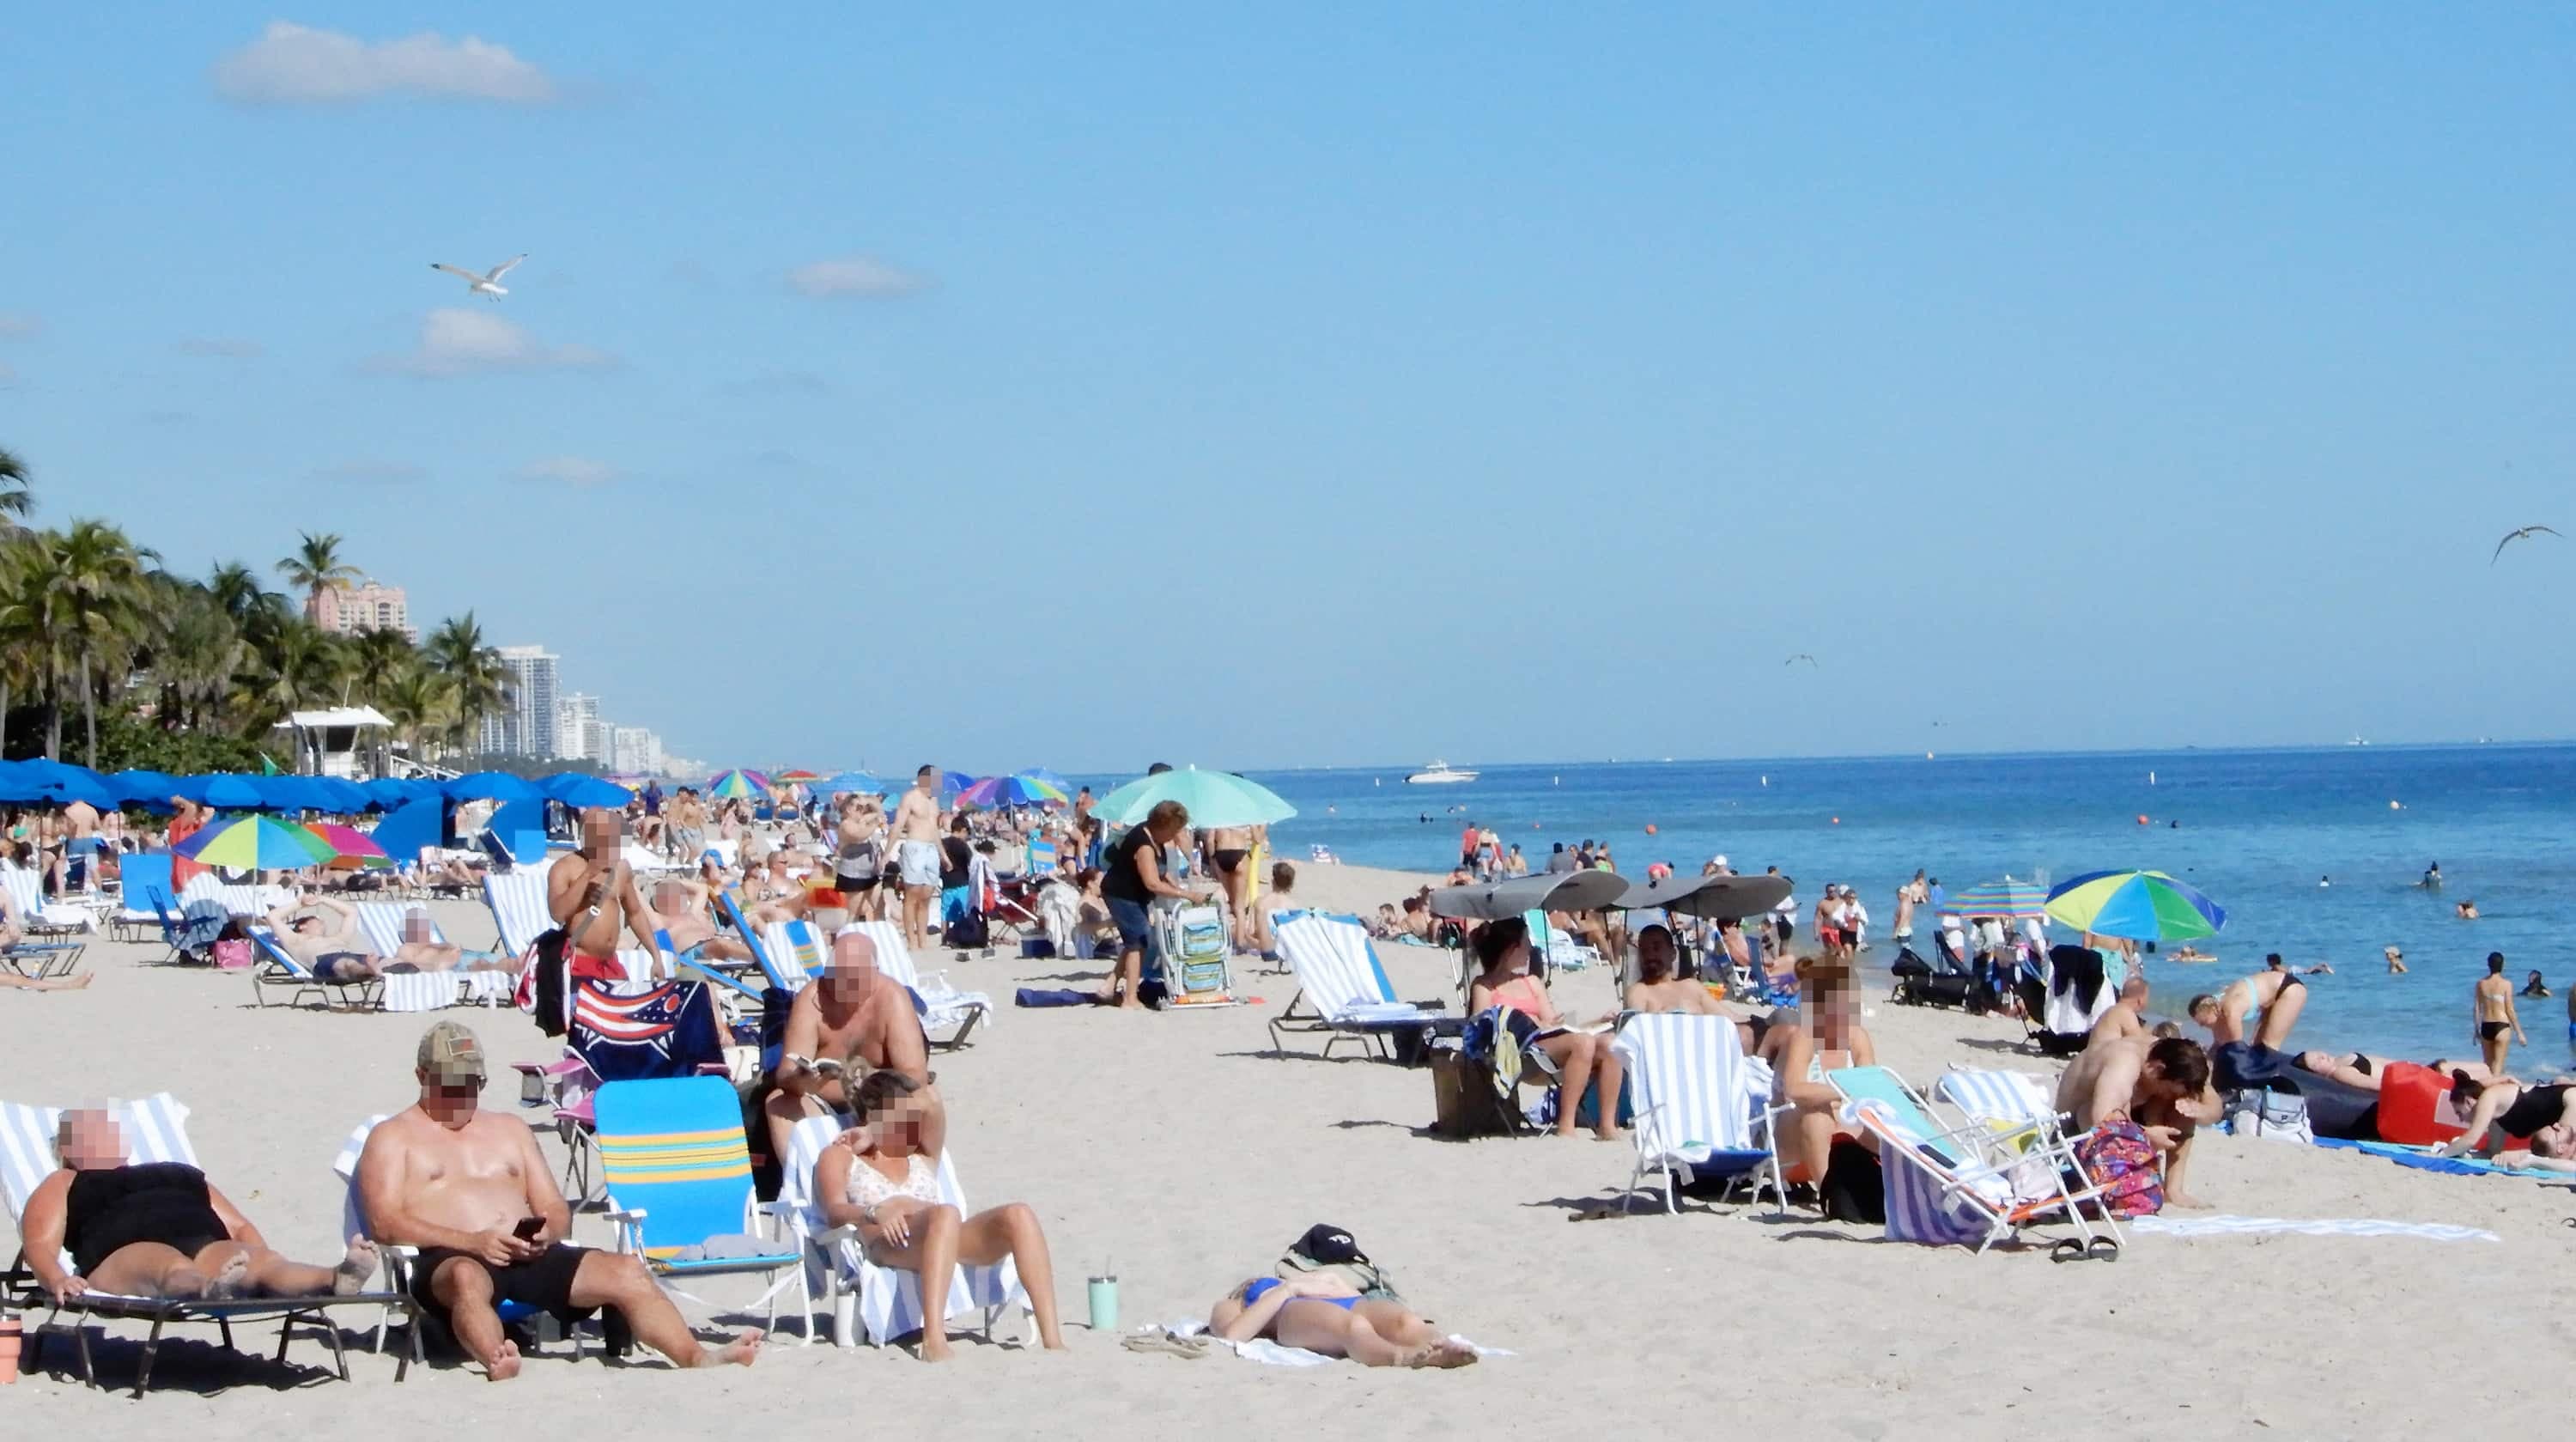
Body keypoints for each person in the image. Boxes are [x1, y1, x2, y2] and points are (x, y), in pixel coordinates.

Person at [356, 1021, 762, 1378]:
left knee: (626, 1270)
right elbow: (384, 1222)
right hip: (450, 1258)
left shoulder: (509, 1129)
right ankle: (497, 1358)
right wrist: (474, 1241)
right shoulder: (393, 1137)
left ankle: (694, 1356)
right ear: (421, 1076)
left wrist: (544, 1234)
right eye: (450, 1084)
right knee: (467, 1279)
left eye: (471, 1083)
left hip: (527, 1253)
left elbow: (554, 1208)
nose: (462, 1094)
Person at [812, 1069, 1066, 1360]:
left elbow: (931, 1098)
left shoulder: (922, 1153)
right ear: (873, 1112)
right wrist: (874, 1211)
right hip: (889, 1241)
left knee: (1019, 1215)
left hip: (942, 1235)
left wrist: (873, 1133)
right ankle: (933, 1339)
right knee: (945, 1214)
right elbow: (834, 1211)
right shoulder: (840, 1155)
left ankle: (1052, 1340)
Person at [21, 1109, 379, 1306]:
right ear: (67, 1150)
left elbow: (237, 1225)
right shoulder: (64, 1181)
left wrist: (261, 1256)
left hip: (204, 1240)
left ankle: (336, 1278)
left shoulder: (173, 1171)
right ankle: (208, 1291)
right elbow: (37, 1242)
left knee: (262, 1264)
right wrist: (56, 1279)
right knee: (167, 1265)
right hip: (122, 1250)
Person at [763, 929, 935, 1164]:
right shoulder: (813, 997)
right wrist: (803, 1081)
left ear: (873, 975)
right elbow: (784, 1073)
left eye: (854, 979)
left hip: (877, 1101)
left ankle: (895, 1176)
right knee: (778, 1103)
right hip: (822, 1100)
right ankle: (804, 1183)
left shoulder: (892, 998)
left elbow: (916, 1075)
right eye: (837, 975)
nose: (844, 984)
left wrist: (868, 1083)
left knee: (925, 1098)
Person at [1467, 918, 1623, 1141]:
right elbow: (1480, 1027)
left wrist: (1599, 1020)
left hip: (1550, 1046)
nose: (1531, 947)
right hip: (1520, 1054)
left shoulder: (1532, 982)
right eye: (1526, 942)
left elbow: (1553, 1023)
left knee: (1610, 1043)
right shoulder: (1484, 986)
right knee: (1583, 1043)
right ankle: (1566, 1125)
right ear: (1512, 949)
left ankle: (1607, 1126)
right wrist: (1519, 1019)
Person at [2056, 1035, 2216, 1208]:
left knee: (2184, 1106)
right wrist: (2146, 1134)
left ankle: (2173, 1189)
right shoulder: (2124, 1061)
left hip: (2121, 1123)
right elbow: (2101, 1118)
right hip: (2073, 1133)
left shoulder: (2178, 1058)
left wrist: (2200, 1110)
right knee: (2100, 1109)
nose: (2168, 1096)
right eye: (2168, 1090)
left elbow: (2215, 1106)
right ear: (2157, 1069)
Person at [1768, 955, 1875, 1199]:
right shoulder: (1804, 1036)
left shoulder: (1856, 1037)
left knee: (1881, 1119)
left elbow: (1870, 1088)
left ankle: (1882, 1191)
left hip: (1841, 1140)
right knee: (1817, 1115)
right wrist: (1845, 1094)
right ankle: (1833, 1198)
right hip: (1793, 1149)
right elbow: (1794, 1090)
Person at [1208, 1274, 1474, 1369]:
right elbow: (1232, 1336)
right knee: (1354, 1328)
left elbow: (1347, 1289)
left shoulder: (1297, 1280)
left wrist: (1320, 1282)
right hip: (1291, 1311)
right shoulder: (1235, 1302)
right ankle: (1401, 1357)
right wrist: (1289, 1289)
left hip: (1342, 1300)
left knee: (1406, 1320)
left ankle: (1440, 1347)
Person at [1095, 800, 1210, 1009]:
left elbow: (1161, 872)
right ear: (1164, 825)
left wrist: (1176, 884)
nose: (1177, 834)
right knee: (1139, 942)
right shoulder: (1144, 844)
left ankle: (1109, 985)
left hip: (1135, 894)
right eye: (1175, 829)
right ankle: (1130, 998)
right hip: (1121, 894)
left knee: (1136, 937)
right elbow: (1152, 882)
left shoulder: (1155, 838)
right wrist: (1187, 894)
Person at [547, 809, 659, 982]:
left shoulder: (621, 868)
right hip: (579, 961)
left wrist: (655, 955)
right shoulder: (565, 867)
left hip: (610, 963)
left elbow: (635, 913)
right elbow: (557, 913)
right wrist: (586, 876)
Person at [2435, 1073, 2576, 1170]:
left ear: (2469, 1102)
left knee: (2567, 1159)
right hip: (2565, 1102)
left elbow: (2471, 1139)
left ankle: (2533, 1161)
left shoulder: (2489, 1097)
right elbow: (2491, 1153)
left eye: (2459, 1113)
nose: (2460, 1119)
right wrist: (2464, 1154)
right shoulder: (2497, 1119)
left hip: (2571, 1100)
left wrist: (2442, 1154)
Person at [263, 894, 376, 984]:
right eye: (317, 919)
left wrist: (322, 899)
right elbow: (272, 917)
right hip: (325, 960)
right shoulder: (295, 940)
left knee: (386, 961)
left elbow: (352, 912)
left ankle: (372, 968)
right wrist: (300, 903)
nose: (323, 921)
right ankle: (368, 970)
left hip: (353, 956)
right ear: (303, 925)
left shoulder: (338, 938)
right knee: (347, 964)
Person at [889, 766, 945, 951]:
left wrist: (943, 854)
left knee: (927, 897)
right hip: (915, 846)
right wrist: (886, 853)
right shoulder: (910, 798)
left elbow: (934, 830)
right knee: (912, 895)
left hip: (931, 849)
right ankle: (911, 940)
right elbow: (897, 826)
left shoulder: (934, 801)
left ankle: (923, 940)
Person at [647, 879, 754, 969]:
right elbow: (636, 902)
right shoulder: (660, 921)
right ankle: (763, 959)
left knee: (754, 918)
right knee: (721, 944)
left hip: (713, 945)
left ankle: (762, 955)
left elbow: (702, 888)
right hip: (690, 954)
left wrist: (671, 881)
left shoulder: (692, 914)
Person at [831, 791, 886, 923]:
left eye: (863, 808)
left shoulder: (862, 820)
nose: (862, 810)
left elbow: (879, 810)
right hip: (853, 874)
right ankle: (849, 937)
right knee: (854, 912)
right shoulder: (846, 824)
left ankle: (881, 933)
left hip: (869, 873)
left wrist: (867, 800)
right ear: (849, 809)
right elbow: (859, 835)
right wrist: (875, 824)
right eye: (858, 808)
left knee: (880, 905)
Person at [2474, 952, 2525, 1074]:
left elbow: (2477, 1008)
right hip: (2502, 1025)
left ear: (2488, 965)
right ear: (2502, 965)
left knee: (2488, 1065)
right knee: (2498, 1064)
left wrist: (2476, 1030)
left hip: (2486, 1025)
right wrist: (2519, 1033)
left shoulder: (2481, 983)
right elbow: (2510, 1009)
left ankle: (2488, 1088)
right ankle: (2495, 1088)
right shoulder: (2506, 984)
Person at [2087, 977, 2153, 1049]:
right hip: (2102, 1057)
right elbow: (2141, 1043)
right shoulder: (2125, 1012)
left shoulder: (2113, 1010)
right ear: (2141, 1000)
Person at [1249, 861, 1298, 955]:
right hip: (1282, 947)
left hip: (1262, 946)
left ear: (1273, 880)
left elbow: (1252, 931)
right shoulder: (1292, 905)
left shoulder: (1260, 902)